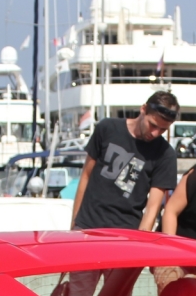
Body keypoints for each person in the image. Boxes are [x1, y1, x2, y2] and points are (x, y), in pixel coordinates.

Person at [70, 91, 179, 232]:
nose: (155, 133)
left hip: (126, 235)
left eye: (163, 129)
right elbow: (85, 176)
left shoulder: (165, 154)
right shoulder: (107, 128)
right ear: (143, 109)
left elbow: (153, 208)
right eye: (152, 125)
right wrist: (74, 224)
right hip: (86, 227)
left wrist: (139, 242)